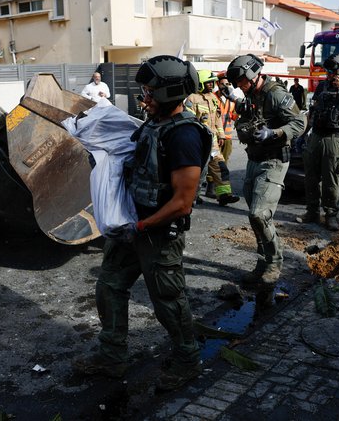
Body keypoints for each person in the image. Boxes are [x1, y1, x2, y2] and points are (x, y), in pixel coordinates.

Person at [74, 55, 212, 391]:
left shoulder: (185, 136)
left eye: (150, 91)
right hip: (133, 225)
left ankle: (187, 359)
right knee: (109, 285)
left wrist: (142, 226)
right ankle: (112, 356)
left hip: (158, 233)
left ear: (170, 93)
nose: (144, 97)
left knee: (167, 299)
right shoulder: (154, 124)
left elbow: (182, 202)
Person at [226, 54, 305, 285]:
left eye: (241, 82)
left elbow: (300, 123)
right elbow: (250, 112)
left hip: (274, 160)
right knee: (255, 217)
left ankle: (274, 263)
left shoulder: (276, 93)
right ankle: (262, 261)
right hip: (254, 159)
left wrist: (274, 133)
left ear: (252, 74)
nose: (240, 86)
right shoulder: (252, 94)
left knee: (259, 214)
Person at [300, 54, 339, 231]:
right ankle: (312, 212)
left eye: (331, 72)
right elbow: (313, 111)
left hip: (335, 139)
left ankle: (330, 215)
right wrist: (303, 134)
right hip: (316, 136)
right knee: (311, 177)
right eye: (327, 71)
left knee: (331, 179)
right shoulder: (322, 86)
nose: (327, 75)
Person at [186, 70, 240, 206]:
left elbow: (217, 119)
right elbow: (189, 121)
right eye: (208, 82)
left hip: (213, 142)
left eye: (212, 82)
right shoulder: (192, 98)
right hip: (198, 142)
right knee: (198, 171)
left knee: (220, 167)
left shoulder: (213, 98)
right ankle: (192, 197)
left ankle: (224, 195)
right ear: (201, 83)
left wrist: (221, 135)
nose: (211, 85)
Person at [215, 71, 238, 163]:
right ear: (217, 84)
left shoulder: (232, 100)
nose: (225, 86)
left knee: (224, 163)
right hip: (215, 137)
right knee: (213, 164)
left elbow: (234, 117)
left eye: (228, 84)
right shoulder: (212, 98)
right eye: (223, 84)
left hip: (227, 137)